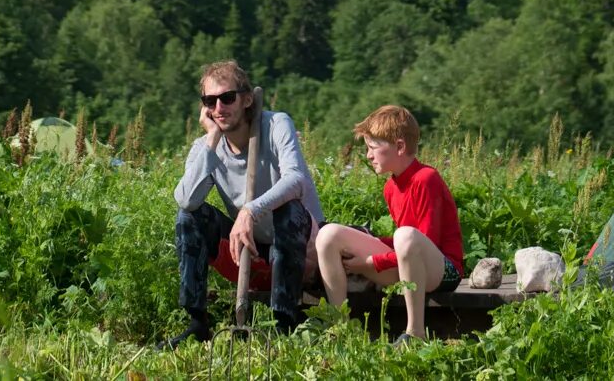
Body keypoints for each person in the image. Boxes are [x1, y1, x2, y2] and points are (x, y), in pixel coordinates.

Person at [162, 59, 324, 345]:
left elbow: (296, 180)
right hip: (249, 250)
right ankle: (197, 323)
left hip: (302, 247)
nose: (219, 108)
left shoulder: (276, 125)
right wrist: (212, 139)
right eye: (209, 101)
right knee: (189, 217)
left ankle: (283, 323)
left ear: (247, 99)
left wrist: (251, 209)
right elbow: (186, 200)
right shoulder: (204, 147)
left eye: (227, 98)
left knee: (287, 208)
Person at [314, 104, 465, 344]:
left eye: (373, 147)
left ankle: (415, 333)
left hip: (442, 270)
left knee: (405, 236)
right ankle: (339, 329)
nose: (368, 156)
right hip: (409, 263)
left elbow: (424, 241)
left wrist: (370, 262)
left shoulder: (426, 179)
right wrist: (370, 243)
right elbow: (403, 244)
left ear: (400, 146)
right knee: (328, 235)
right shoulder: (390, 187)